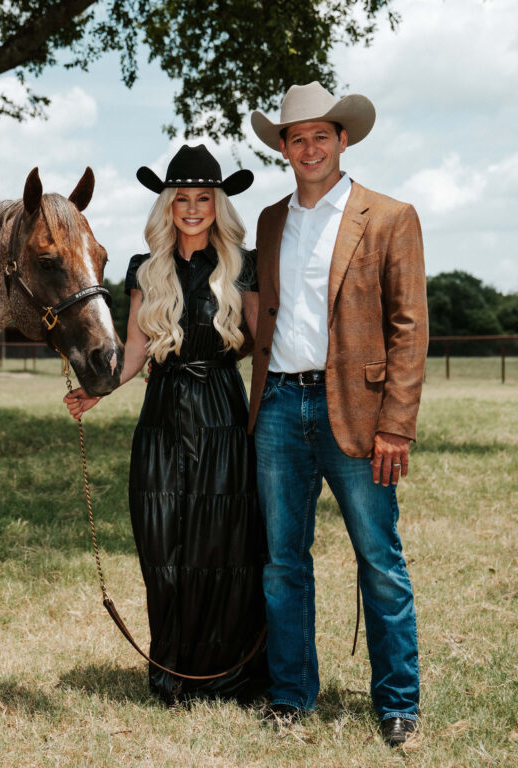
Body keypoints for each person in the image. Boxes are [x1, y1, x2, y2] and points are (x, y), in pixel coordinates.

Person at [246, 82, 428, 746]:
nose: (311, 147)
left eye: (323, 134)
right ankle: (291, 695)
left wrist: (396, 425)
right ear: (285, 150)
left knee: (379, 559)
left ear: (343, 140)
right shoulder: (269, 221)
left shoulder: (389, 216)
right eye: (298, 138)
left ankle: (398, 702)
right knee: (283, 563)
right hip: (276, 407)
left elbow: (410, 329)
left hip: (357, 409)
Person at [64, 144, 268, 707]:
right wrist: (97, 391)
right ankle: (173, 668)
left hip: (223, 413)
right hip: (162, 417)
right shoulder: (143, 269)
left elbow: (260, 345)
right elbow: (133, 351)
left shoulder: (241, 265)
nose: (194, 207)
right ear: (167, 206)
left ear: (218, 204)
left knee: (220, 544)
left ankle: (225, 673)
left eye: (205, 197)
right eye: (183, 198)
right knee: (163, 543)